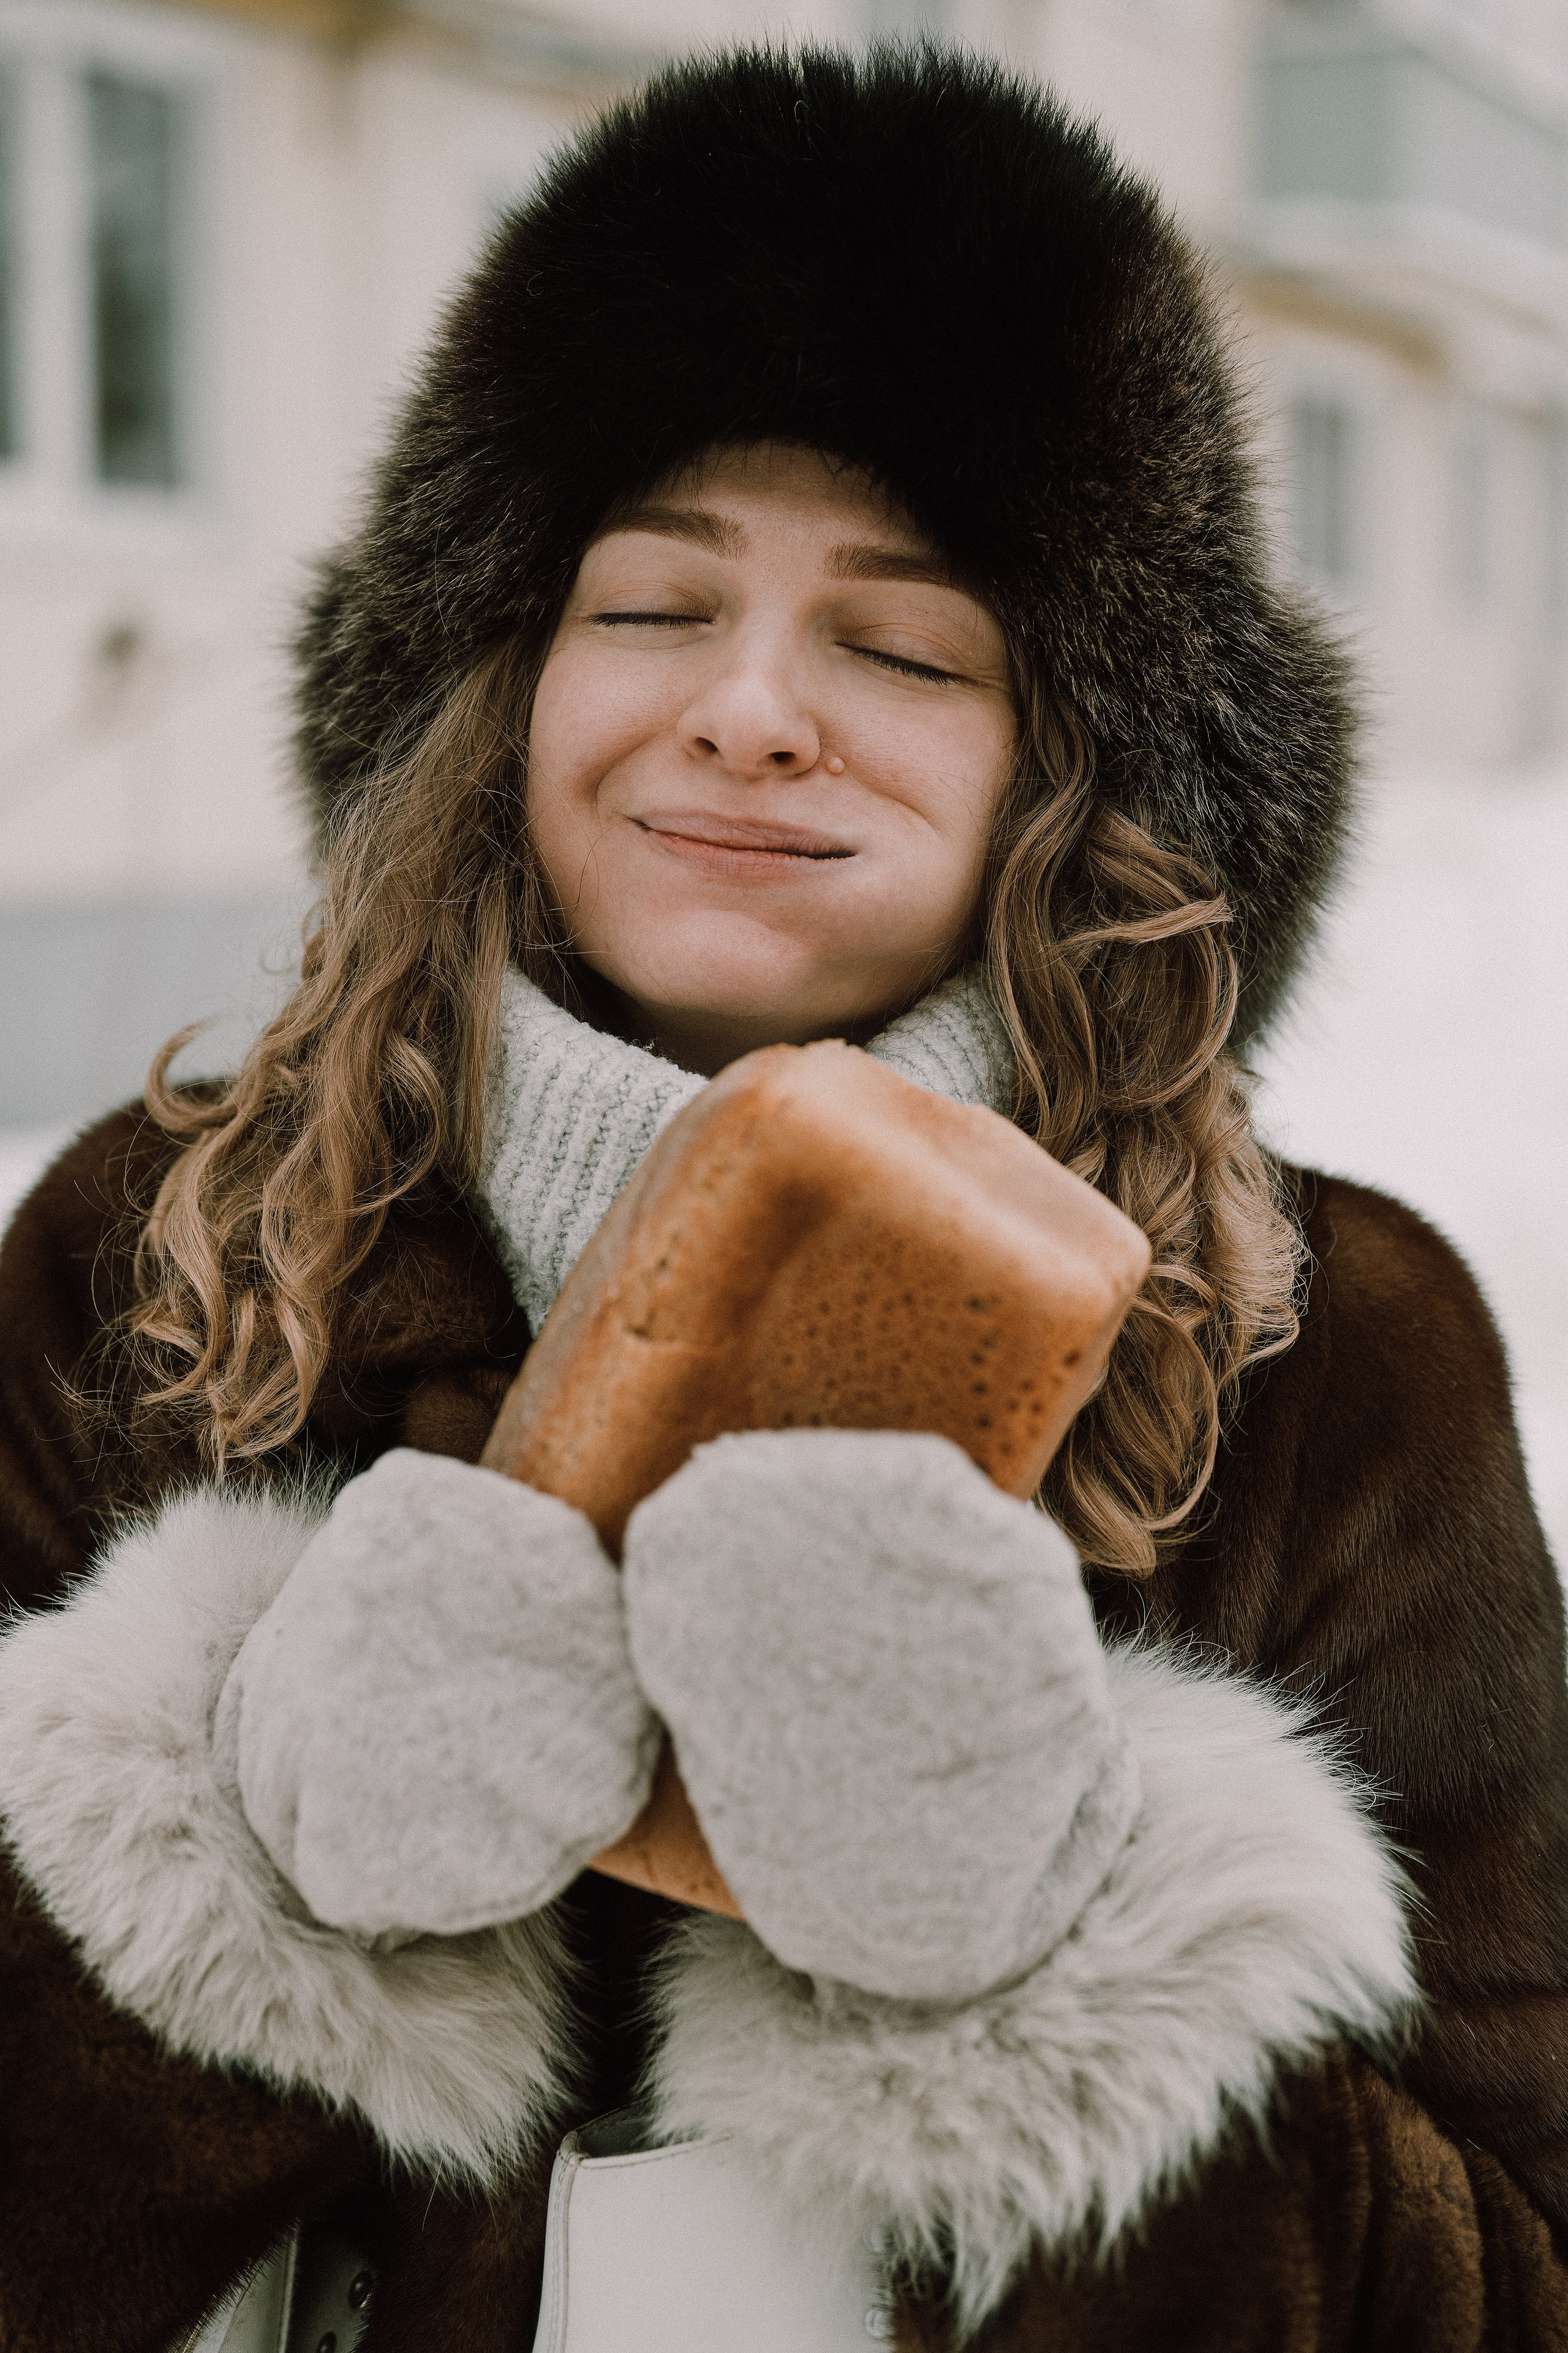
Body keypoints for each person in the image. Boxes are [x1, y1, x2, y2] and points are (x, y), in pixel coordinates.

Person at [0, 43, 1564, 2353]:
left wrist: (1055, 1964)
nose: (747, 711)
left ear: (1076, 766)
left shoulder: (1323, 1353)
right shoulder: (158, 1261)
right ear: (498, 690)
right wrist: (226, 1891)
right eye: (649, 607)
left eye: (904, 643)